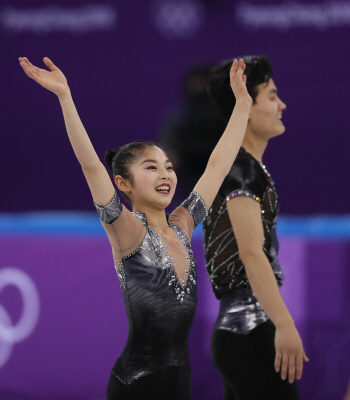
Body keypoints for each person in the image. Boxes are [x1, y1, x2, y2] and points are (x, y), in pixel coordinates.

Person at [19, 56, 252, 400]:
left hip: (179, 383)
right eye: (151, 167)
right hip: (137, 383)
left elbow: (217, 167)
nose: (165, 174)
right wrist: (65, 97)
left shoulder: (183, 226)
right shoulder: (127, 231)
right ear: (123, 184)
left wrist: (242, 107)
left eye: (168, 167)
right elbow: (90, 166)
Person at [202, 55, 309, 400]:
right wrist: (285, 324)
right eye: (273, 96)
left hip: (240, 332)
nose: (282, 104)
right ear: (246, 106)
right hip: (250, 333)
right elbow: (250, 253)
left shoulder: (248, 169)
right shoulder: (242, 170)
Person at [159, 64, 227, 201]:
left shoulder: (229, 116)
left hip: (223, 173)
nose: (201, 87)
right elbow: (169, 147)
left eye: (205, 82)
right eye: (197, 83)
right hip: (189, 171)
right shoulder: (180, 116)